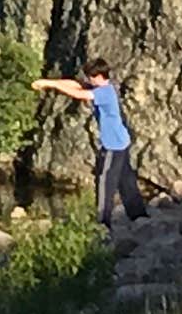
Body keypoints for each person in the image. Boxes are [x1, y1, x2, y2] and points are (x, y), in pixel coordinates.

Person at [36, 57, 141, 223]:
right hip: (122, 141)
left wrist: (53, 85)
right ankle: (138, 215)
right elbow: (77, 85)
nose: (89, 80)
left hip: (113, 145)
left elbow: (78, 94)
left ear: (99, 76)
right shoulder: (104, 87)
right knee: (126, 180)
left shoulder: (105, 92)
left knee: (105, 181)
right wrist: (49, 81)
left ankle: (103, 222)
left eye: (91, 77)